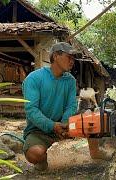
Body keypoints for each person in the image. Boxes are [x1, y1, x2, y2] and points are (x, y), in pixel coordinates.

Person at [22, 42, 78, 170]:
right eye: (69, 57)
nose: (72, 61)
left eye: (73, 58)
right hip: (38, 130)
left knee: (94, 120)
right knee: (35, 154)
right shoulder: (34, 78)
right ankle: (42, 161)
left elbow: (71, 106)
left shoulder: (70, 81)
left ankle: (96, 153)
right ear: (56, 56)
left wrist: (64, 124)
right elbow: (31, 110)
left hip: (63, 127)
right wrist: (52, 126)